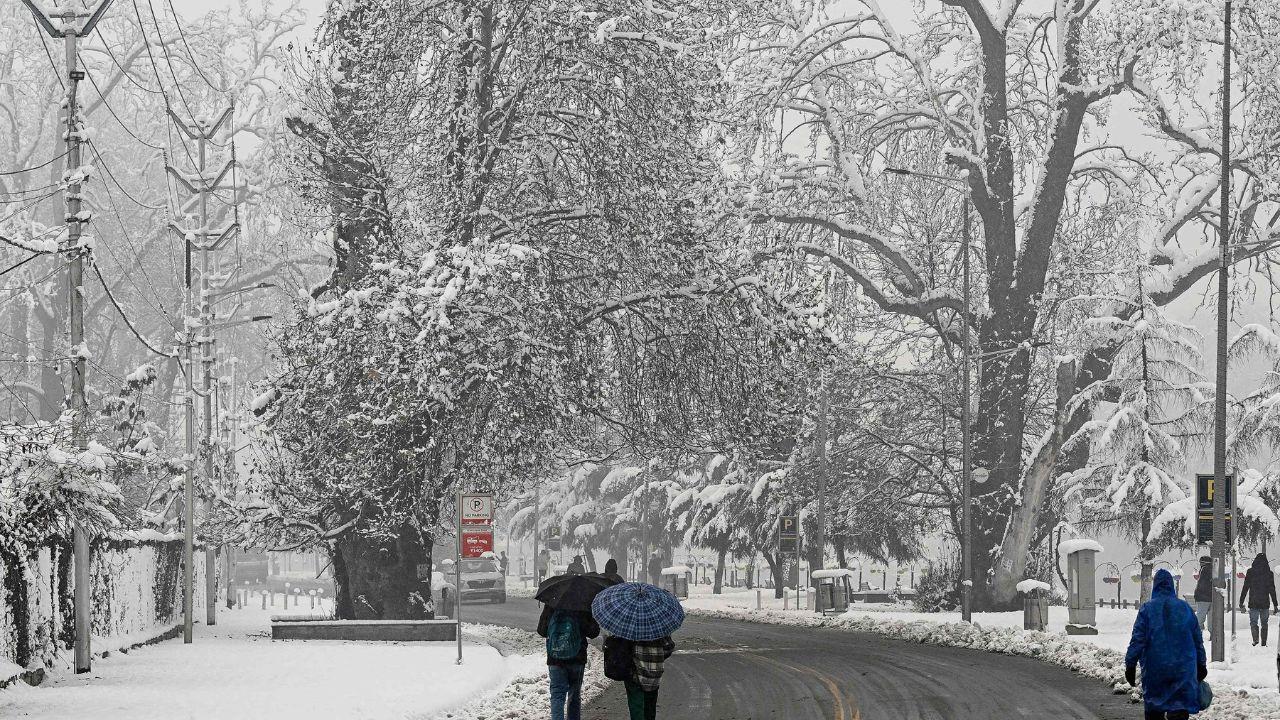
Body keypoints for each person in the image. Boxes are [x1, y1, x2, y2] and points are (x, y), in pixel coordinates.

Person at [1125, 569, 1207, 720]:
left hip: (1155, 670)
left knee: (1154, 710)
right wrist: (1201, 665)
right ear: (1171, 586)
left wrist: (1130, 665)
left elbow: (1137, 639)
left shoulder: (1147, 610)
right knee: (1179, 709)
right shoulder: (1185, 609)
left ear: (1155, 586)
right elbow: (1197, 640)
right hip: (1183, 669)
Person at [537, 604, 600, 720]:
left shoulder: (552, 603)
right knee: (574, 695)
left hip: (555, 658)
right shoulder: (582, 603)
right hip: (577, 658)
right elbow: (594, 632)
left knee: (557, 696)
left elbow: (541, 630)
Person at [627, 635, 675, 720]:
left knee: (636, 706)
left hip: (634, 672)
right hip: (654, 673)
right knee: (650, 706)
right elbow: (669, 648)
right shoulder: (658, 627)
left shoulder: (629, 627)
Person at [1239, 553, 1278, 646]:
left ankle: (1255, 640)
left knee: (1253, 622)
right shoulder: (1269, 573)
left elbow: (1245, 587)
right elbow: (1272, 589)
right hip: (1265, 602)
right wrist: (1275, 604)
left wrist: (1241, 602)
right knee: (1264, 623)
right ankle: (1264, 643)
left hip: (1254, 602)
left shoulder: (1250, 572)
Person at [1192, 556, 1212, 632]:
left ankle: (1197, 633)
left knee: (1200, 618)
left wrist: (1197, 594)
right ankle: (1212, 634)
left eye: (1200, 562)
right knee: (1211, 619)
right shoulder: (1214, 569)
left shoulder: (1204, 569)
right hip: (1212, 597)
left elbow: (1202, 583)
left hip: (1202, 598)